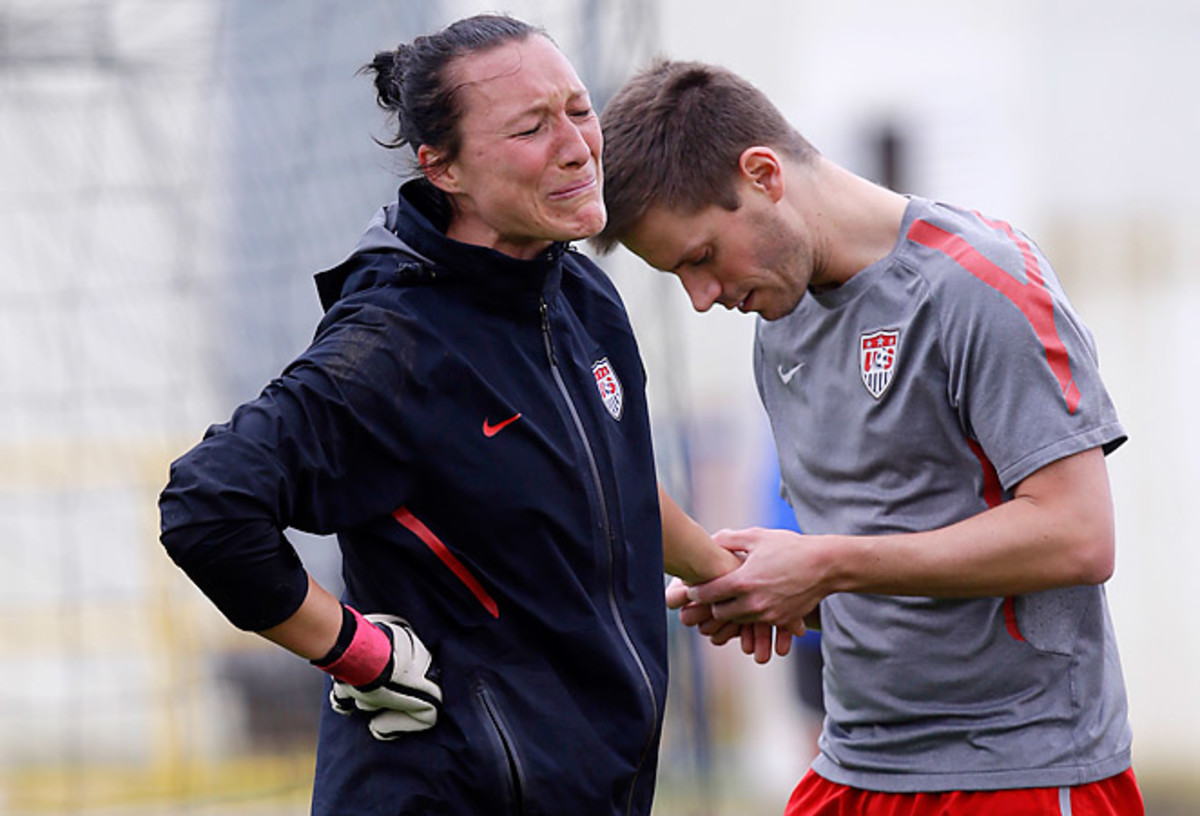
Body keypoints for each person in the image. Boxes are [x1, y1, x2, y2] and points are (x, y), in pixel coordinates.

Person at [158, 19, 737, 816]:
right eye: (532, 127)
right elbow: (206, 506)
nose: (576, 145)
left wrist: (729, 576)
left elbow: (612, 478)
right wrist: (353, 652)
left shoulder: (581, 295)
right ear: (444, 168)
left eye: (577, 109)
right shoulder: (392, 345)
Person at [593, 59, 1144, 815]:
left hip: (1017, 769)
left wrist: (825, 564)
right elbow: (886, 557)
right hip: (855, 763)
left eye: (701, 259)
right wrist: (773, 589)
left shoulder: (978, 285)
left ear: (763, 175)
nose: (701, 299)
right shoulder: (777, 328)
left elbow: (1080, 537)